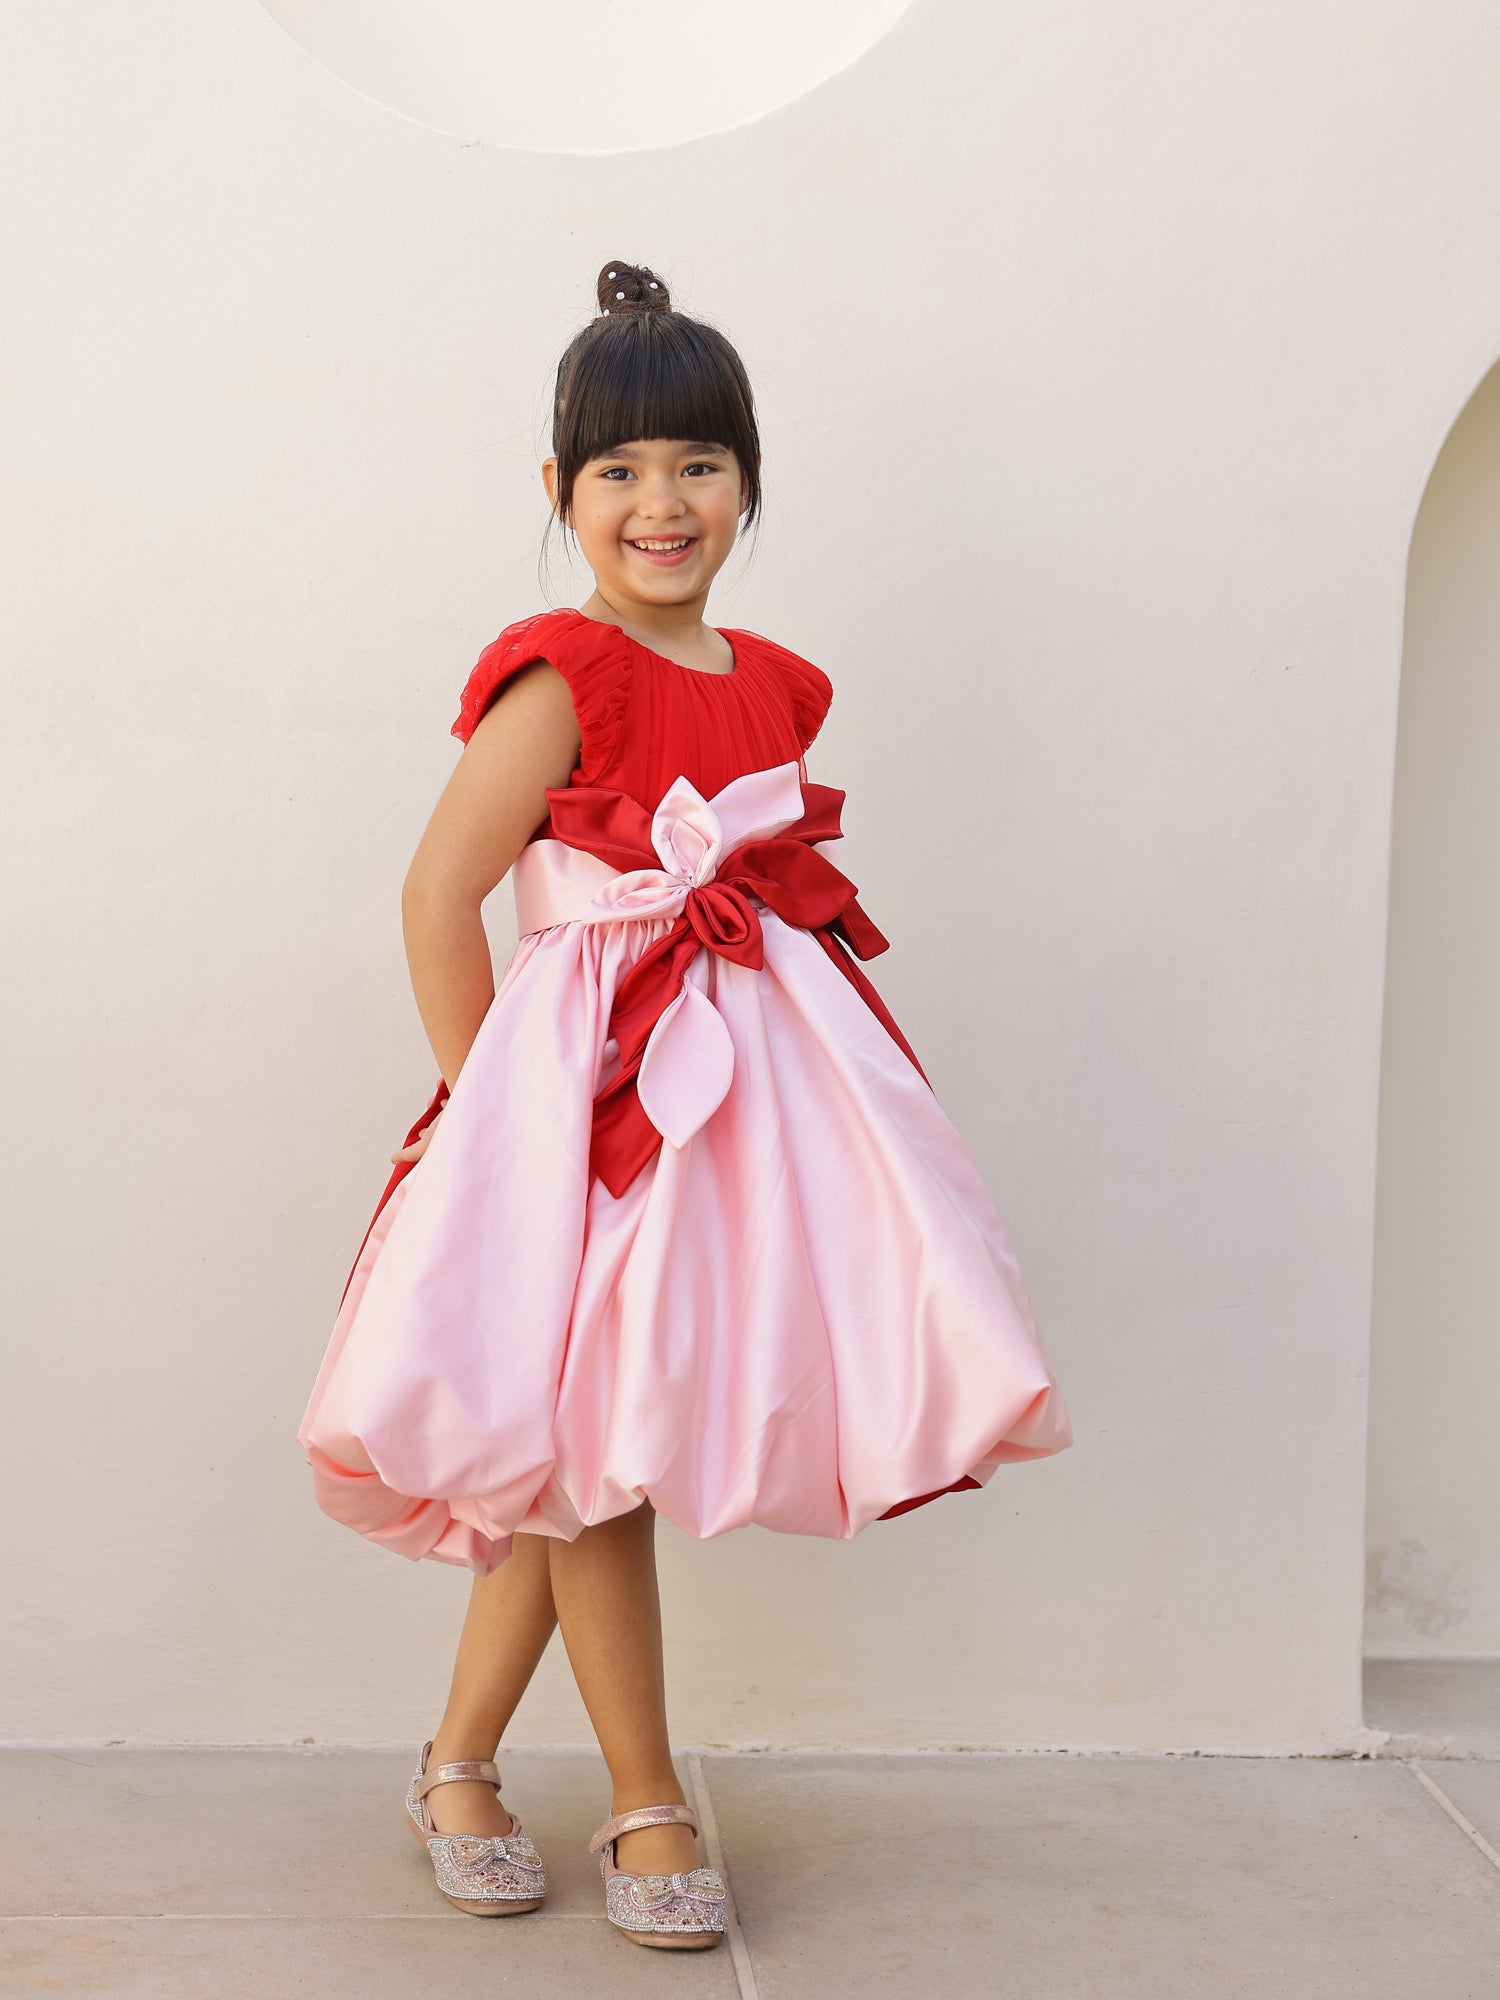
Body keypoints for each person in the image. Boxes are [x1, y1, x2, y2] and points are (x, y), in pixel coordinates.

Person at [296, 258, 1072, 1951]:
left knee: (586, 1443)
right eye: (620, 469)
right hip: (583, 1121)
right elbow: (439, 895)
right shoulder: (562, 673)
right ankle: (647, 1795)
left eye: (700, 466)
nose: (662, 503)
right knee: (597, 1454)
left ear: (750, 482)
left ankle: (453, 1767)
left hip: (737, 1120)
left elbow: (773, 897)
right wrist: (489, 1122)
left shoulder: (774, 681)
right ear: (560, 491)